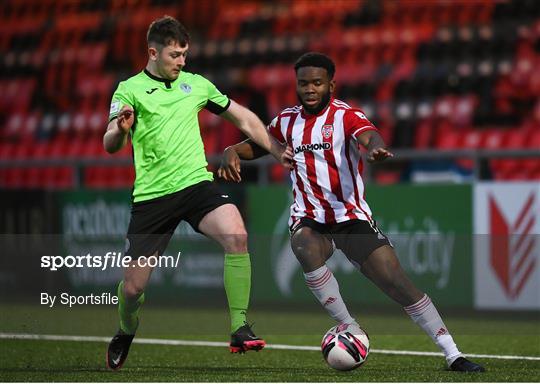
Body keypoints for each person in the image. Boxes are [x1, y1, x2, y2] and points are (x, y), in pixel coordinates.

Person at [218, 52, 485, 373]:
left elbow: (369, 135)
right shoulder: (286, 120)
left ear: (331, 84)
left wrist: (374, 148)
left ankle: (452, 353)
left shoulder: (346, 116)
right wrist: (233, 150)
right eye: (303, 83)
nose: (310, 89)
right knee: (302, 245)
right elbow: (260, 143)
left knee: (397, 283)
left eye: (317, 83)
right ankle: (349, 326)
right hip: (310, 218)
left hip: (351, 218)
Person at [103, 16, 292, 371]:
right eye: (175, 55)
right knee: (132, 289)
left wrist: (278, 150)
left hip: (195, 185)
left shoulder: (197, 85)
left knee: (236, 233)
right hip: (152, 198)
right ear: (153, 52)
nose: (182, 61)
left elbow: (245, 119)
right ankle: (126, 329)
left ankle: (239, 326)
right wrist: (120, 129)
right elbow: (110, 141)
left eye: (185, 54)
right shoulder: (128, 90)